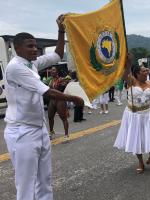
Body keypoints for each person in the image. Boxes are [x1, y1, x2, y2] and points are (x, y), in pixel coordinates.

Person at [3, 15, 84, 200]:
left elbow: (57, 54)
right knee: (26, 185)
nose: (35, 49)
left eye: (35, 46)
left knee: (45, 180)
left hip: (38, 129)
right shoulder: (16, 67)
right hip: (22, 132)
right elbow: (48, 92)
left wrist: (61, 30)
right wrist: (75, 99)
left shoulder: (31, 63)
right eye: (29, 46)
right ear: (17, 48)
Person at [47, 66, 70, 140]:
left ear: (57, 72)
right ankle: (51, 131)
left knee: (64, 118)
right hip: (52, 100)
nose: (52, 71)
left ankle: (66, 135)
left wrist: (64, 82)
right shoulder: (50, 81)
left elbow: (67, 82)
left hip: (60, 100)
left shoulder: (60, 79)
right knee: (50, 117)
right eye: (51, 70)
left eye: (53, 70)